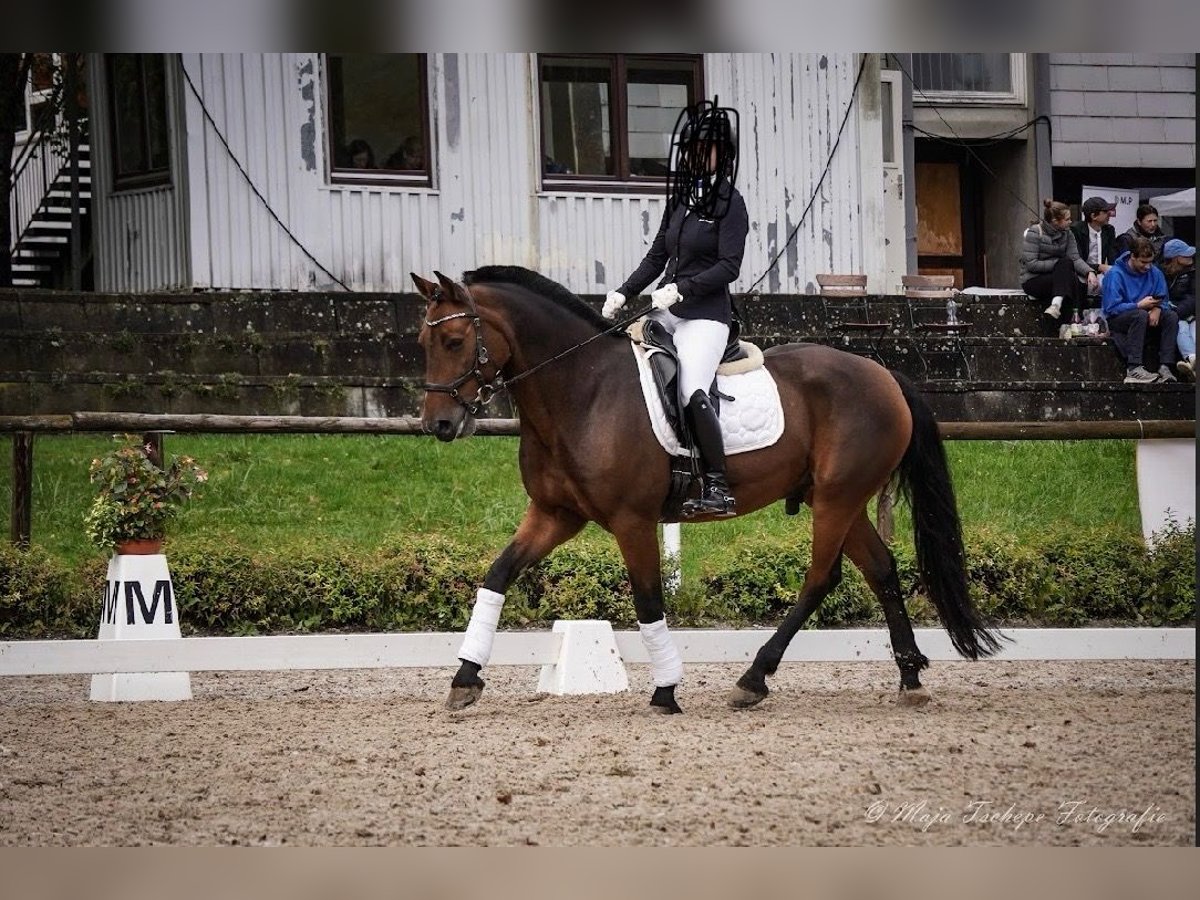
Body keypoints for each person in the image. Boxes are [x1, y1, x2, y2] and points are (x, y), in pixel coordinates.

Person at [602, 99, 749, 519]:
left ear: (723, 154)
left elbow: (728, 267)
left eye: (706, 148)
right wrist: (623, 292)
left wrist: (681, 289)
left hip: (706, 317)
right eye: (692, 149)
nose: (697, 156)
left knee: (690, 389)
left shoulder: (731, 203)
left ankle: (718, 486)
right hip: (669, 309)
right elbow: (656, 255)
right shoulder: (681, 200)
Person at [1101, 236, 1178, 383]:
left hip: (1146, 313)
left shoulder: (1155, 272)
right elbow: (1111, 308)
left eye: (1150, 262)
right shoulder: (1115, 274)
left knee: (1171, 317)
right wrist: (1137, 305)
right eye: (1143, 262)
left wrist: (1158, 308)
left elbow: (1164, 299)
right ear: (1133, 257)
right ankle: (1134, 368)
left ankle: (1165, 366)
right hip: (1120, 318)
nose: (1147, 267)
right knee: (1140, 315)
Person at [1019, 199, 1096, 327]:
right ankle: (1075, 320)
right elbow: (1031, 264)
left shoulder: (1068, 234)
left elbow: (1075, 258)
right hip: (1033, 280)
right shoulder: (1034, 232)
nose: (1071, 222)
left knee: (1074, 278)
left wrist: (1090, 272)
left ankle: (1058, 308)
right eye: (1067, 219)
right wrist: (1057, 265)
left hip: (1059, 279)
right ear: (1055, 221)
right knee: (1066, 267)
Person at [1069, 196, 1118, 307]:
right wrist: (1098, 267)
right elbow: (1076, 259)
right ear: (1093, 216)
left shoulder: (1109, 230)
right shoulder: (1076, 230)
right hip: (1082, 272)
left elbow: (1112, 255)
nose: (1109, 214)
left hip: (1102, 273)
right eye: (1105, 212)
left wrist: (1114, 269)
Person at [1159, 238, 1196, 379]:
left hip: (1189, 312)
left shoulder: (1192, 272)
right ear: (1175, 258)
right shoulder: (1160, 273)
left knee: (1194, 329)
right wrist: (1175, 312)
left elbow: (1194, 297)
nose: (1190, 257)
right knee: (1181, 327)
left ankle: (1193, 366)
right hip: (1172, 314)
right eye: (1185, 254)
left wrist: (1178, 311)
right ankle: (1193, 360)